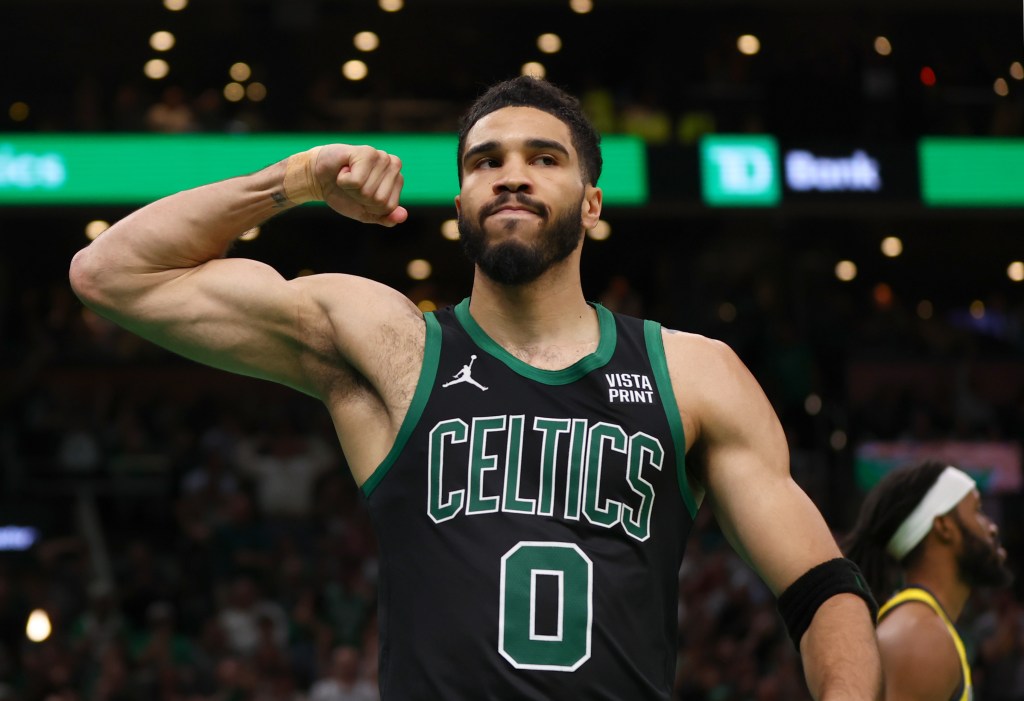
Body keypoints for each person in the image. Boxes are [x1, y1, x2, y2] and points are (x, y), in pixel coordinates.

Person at [69, 76, 881, 699]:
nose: (511, 176)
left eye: (544, 158)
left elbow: (821, 587)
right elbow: (110, 273)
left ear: (592, 201)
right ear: (461, 200)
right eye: (486, 162)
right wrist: (295, 179)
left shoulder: (693, 372)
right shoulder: (392, 350)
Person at [843, 461, 1013, 701]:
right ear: (944, 526)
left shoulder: (923, 627)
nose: (992, 527)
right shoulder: (919, 636)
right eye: (977, 510)